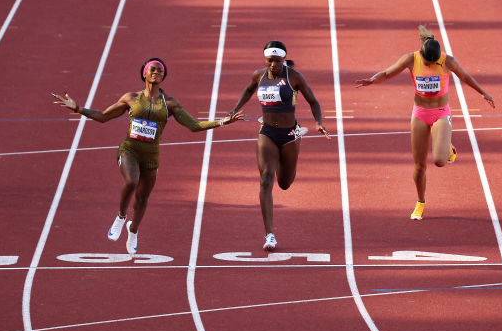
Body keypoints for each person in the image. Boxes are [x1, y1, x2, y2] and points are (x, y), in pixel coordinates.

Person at [53, 58, 243, 254]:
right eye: (153, 69)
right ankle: (121, 216)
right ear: (144, 73)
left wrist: (221, 122)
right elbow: (103, 116)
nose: (156, 72)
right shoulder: (131, 98)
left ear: (163, 77)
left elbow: (193, 126)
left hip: (151, 157)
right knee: (131, 182)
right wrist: (78, 109)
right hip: (130, 149)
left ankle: (133, 229)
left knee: (142, 199)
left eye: (160, 71)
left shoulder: (170, 104)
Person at [355, 25, 495, 221]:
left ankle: (449, 149)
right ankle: (420, 203)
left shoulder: (448, 61)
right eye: (428, 62)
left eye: (434, 62)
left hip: (440, 112)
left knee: (439, 161)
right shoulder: (411, 59)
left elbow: (465, 76)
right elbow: (388, 73)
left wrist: (483, 93)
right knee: (419, 166)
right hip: (419, 113)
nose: (430, 64)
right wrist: (372, 80)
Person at [228, 41, 328, 251]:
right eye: (270, 60)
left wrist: (318, 122)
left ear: (284, 60)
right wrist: (234, 110)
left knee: (284, 183)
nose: (273, 65)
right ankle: (270, 234)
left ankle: (294, 145)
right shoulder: (259, 75)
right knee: (266, 179)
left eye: (277, 61)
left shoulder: (294, 77)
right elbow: (248, 90)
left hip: (290, 134)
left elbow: (313, 101)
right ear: (265, 59)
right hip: (268, 133)